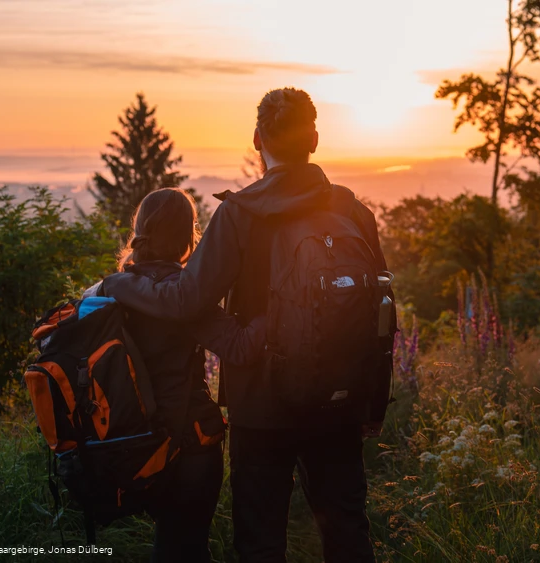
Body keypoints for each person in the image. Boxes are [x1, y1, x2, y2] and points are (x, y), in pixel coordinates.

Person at [102, 87, 396, 563]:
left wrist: (117, 284)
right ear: (315, 139)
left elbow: (184, 299)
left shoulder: (239, 214)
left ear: (258, 139)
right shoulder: (353, 212)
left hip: (262, 408)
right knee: (346, 533)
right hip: (340, 402)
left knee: (260, 542)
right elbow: (379, 310)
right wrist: (368, 399)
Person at [86, 188, 265, 563]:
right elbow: (242, 348)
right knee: (184, 547)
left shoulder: (109, 291)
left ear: (140, 231)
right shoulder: (184, 296)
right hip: (190, 447)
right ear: (189, 237)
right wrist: (276, 306)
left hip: (132, 445)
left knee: (169, 545)